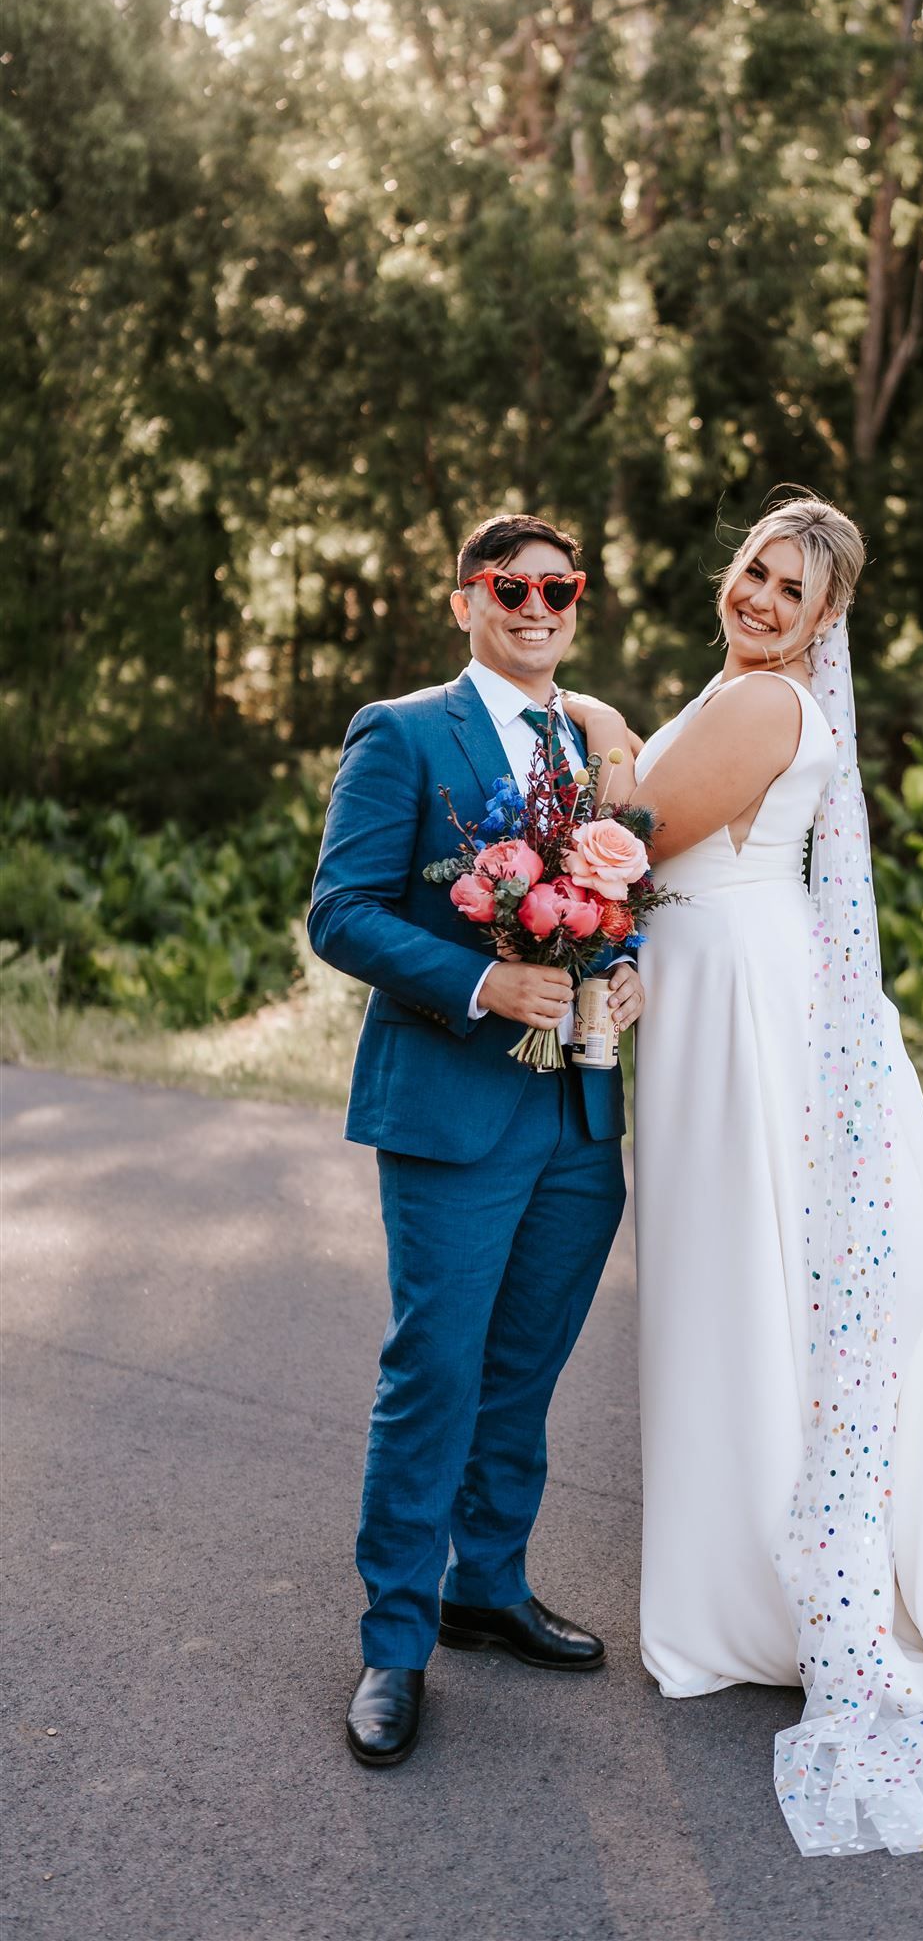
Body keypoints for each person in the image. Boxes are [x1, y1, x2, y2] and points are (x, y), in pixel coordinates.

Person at [565, 494, 923, 1857]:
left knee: (753, 1287)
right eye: (755, 569)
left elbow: (634, 832)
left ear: (826, 623)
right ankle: (729, 1586)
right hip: (709, 1008)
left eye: (791, 590)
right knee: (731, 1290)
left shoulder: (763, 710)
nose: (760, 596)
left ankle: (754, 1596)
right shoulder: (732, 684)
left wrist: (596, 730)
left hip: (750, 1021)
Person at [309, 512, 644, 1769]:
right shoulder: (402, 731)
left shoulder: (587, 739)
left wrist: (628, 965)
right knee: (435, 1370)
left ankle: (486, 1585)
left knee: (525, 1365)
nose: (539, 604)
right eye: (513, 585)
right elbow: (337, 912)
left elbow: (616, 897)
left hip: (576, 1113)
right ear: (467, 599)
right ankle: (394, 1644)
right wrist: (477, 981)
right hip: (451, 1104)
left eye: (560, 586)